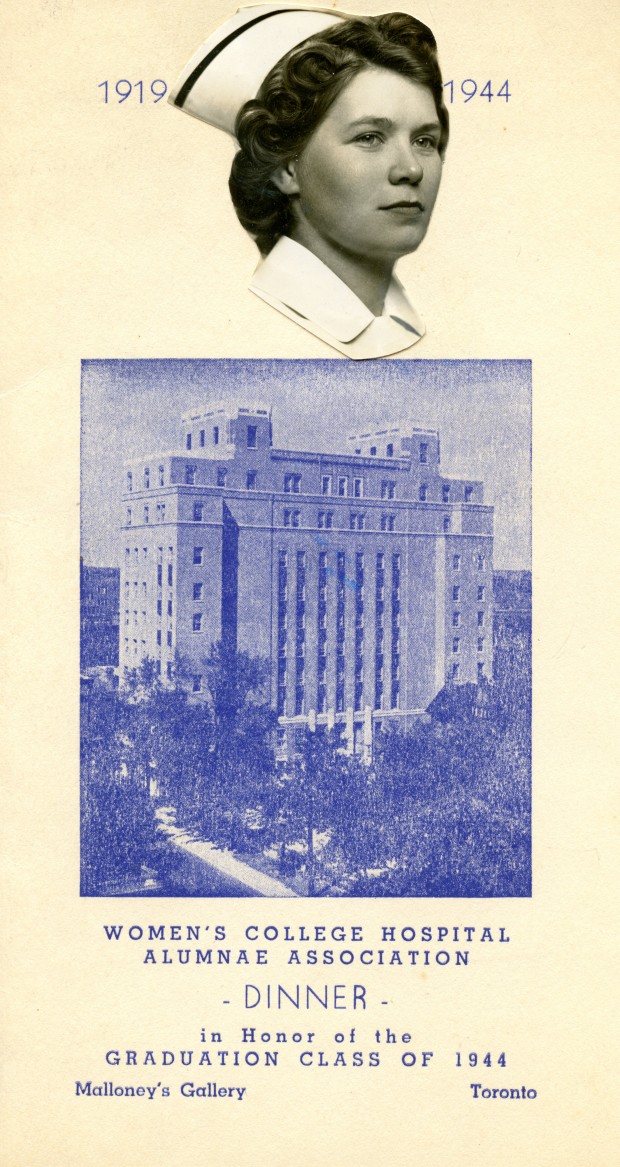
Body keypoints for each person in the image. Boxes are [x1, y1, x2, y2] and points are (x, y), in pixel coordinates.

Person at [170, 5, 448, 358]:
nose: (411, 170)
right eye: (370, 137)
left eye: (424, 141)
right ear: (286, 168)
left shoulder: (403, 324)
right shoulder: (253, 325)